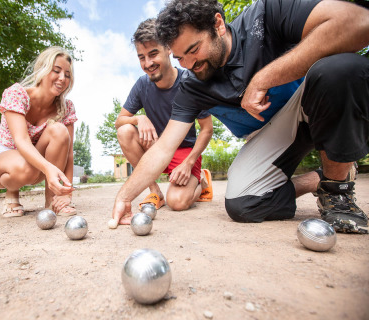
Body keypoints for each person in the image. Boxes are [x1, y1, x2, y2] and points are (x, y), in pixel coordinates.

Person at [111, 0, 369, 233]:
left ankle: (337, 191)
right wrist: (125, 196)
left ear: (218, 24)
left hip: (311, 105)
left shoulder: (267, 15)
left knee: (338, 69)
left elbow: (359, 22)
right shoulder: (191, 86)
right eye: (180, 58)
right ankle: (319, 178)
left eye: (194, 49)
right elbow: (165, 146)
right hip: (271, 135)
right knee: (242, 204)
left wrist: (265, 78)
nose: (188, 65)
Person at [112, 18, 214, 226]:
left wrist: (189, 162)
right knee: (125, 131)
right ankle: (155, 191)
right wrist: (138, 118)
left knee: (176, 202)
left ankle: (202, 182)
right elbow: (119, 121)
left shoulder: (190, 82)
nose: (147, 64)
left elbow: (207, 129)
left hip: (185, 152)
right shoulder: (141, 85)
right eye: (141, 57)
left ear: (168, 48)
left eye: (153, 54)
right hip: (156, 149)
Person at [0, 46, 78, 217]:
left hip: (38, 164)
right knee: (24, 167)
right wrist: (48, 169)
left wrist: (66, 193)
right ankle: (11, 193)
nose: (62, 78)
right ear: (43, 70)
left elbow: (69, 154)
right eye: (56, 71)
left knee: (59, 130)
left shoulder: (66, 108)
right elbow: (21, 141)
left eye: (67, 75)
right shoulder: (17, 94)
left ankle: (52, 201)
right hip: (5, 162)